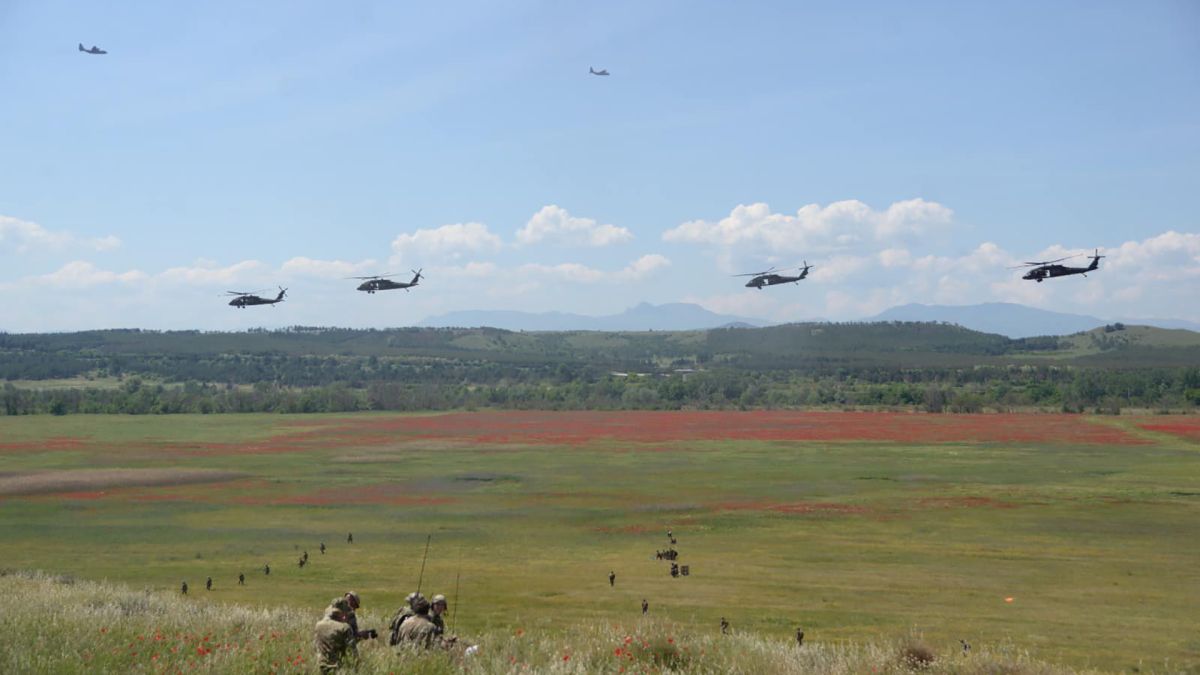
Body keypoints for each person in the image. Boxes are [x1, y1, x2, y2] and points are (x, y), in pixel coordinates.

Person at [314, 598, 357, 673]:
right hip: (338, 669)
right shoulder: (344, 627)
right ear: (343, 613)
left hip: (321, 668)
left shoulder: (318, 625)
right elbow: (353, 654)